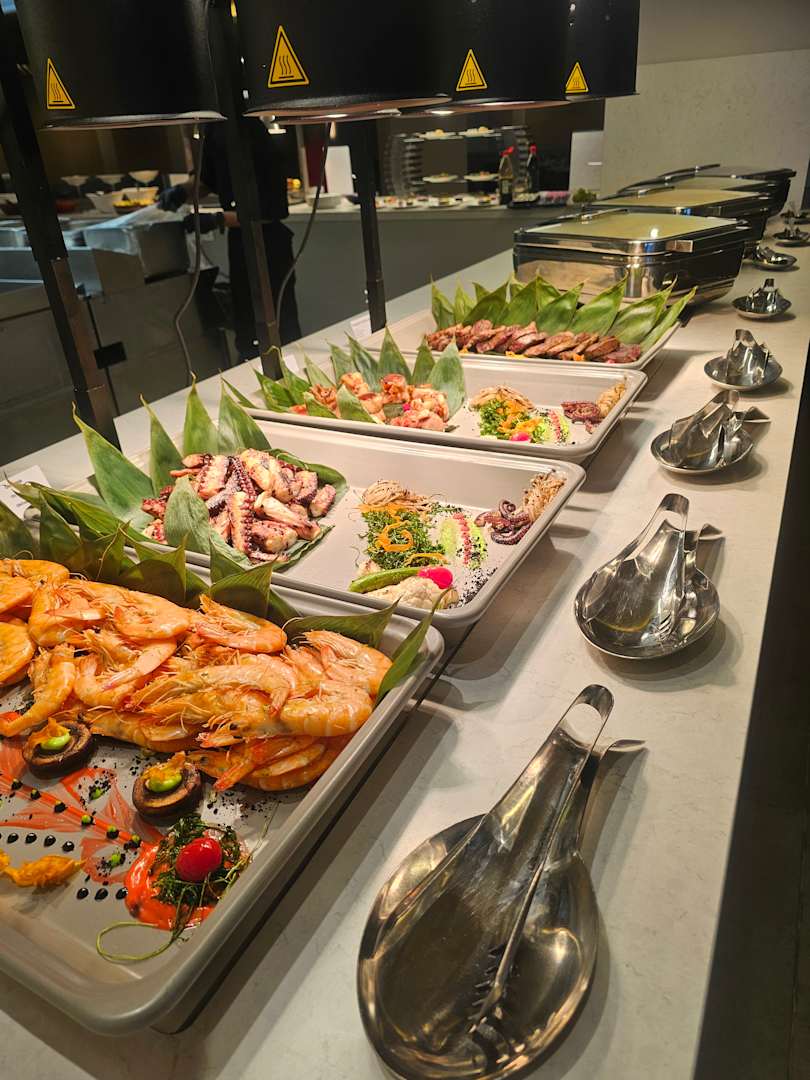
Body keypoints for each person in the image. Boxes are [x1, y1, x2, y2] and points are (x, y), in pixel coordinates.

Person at [158, 120, 301, 358]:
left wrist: (217, 219)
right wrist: (182, 191)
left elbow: (269, 211)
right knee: (246, 323)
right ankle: (251, 365)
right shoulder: (214, 129)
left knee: (278, 321)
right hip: (240, 243)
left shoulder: (251, 133)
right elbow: (208, 180)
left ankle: (287, 367)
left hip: (269, 245)